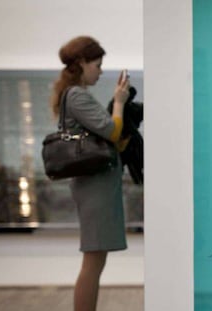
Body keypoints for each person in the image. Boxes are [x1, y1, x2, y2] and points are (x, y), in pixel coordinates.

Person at [50, 36, 130, 311]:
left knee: (96, 259)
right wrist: (119, 102)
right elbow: (113, 131)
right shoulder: (77, 95)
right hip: (95, 188)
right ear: (82, 63)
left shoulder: (74, 95)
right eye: (97, 65)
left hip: (97, 187)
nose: (100, 71)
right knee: (94, 260)